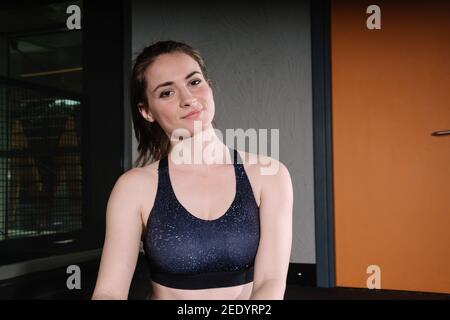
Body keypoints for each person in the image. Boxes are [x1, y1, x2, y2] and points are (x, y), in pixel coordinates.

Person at [92, 40, 293, 300]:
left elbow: (270, 283)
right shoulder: (134, 187)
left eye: (194, 82)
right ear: (146, 112)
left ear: (209, 86)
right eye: (167, 92)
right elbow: (109, 292)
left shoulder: (270, 174)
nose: (188, 99)